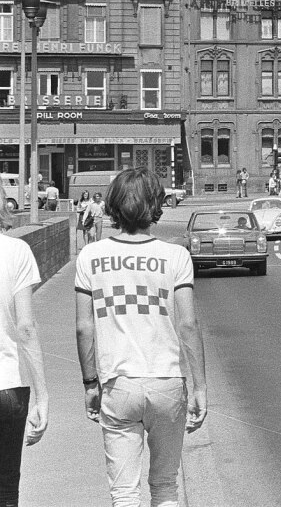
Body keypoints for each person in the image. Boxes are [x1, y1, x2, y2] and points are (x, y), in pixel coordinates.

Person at [74, 168, 207, 507]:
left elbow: (84, 326)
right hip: (167, 382)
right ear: (155, 203)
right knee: (164, 487)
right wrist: (200, 388)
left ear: (112, 205)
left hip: (118, 383)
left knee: (124, 493)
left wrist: (90, 383)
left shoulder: (91, 256)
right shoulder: (175, 256)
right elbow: (188, 324)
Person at [0, 207, 49, 507]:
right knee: (6, 491)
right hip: (6, 386)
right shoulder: (16, 251)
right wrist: (42, 397)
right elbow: (26, 327)